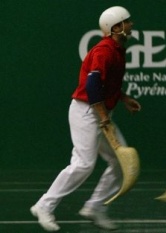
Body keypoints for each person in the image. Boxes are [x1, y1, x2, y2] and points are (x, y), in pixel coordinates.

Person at [30, 6, 141, 232]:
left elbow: (107, 83)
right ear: (116, 27)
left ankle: (95, 207)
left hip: (101, 112)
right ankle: (44, 205)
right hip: (86, 112)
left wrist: (122, 98)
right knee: (83, 164)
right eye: (127, 21)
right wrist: (103, 118)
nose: (132, 25)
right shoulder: (104, 50)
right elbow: (92, 86)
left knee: (120, 162)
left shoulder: (118, 49)